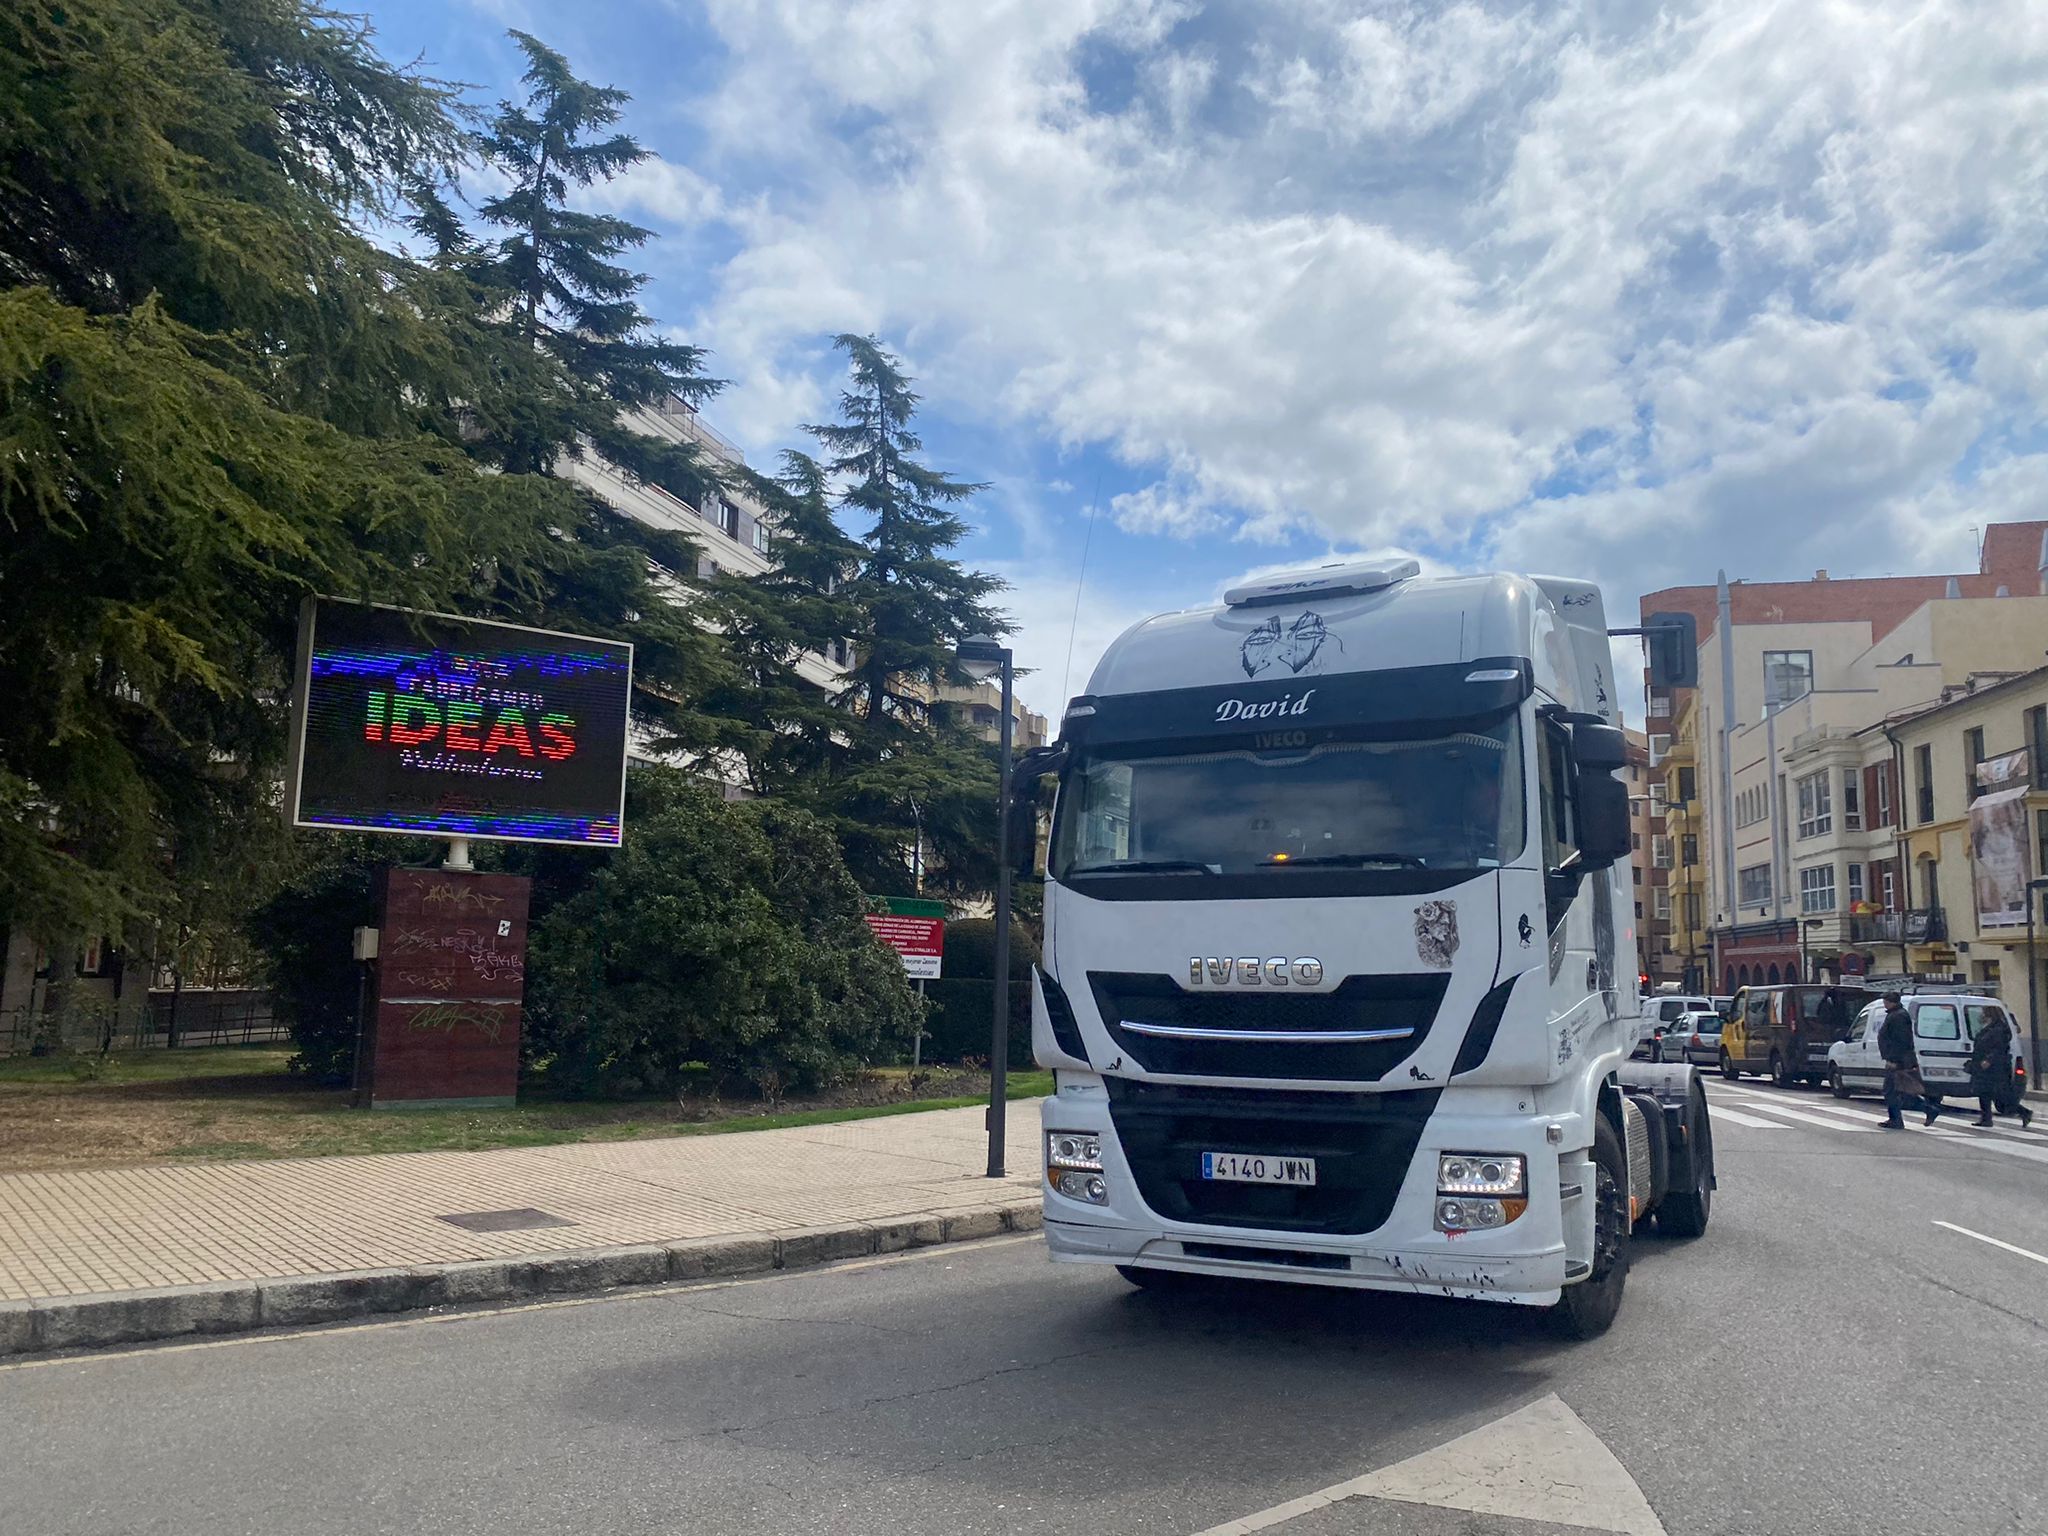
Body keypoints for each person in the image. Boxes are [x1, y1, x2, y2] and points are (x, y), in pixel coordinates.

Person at [1878, 992, 1941, 1129]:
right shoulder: (1895, 1014)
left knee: (1892, 1091)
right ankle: (1898, 1118)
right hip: (1899, 1059)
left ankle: (1901, 1118)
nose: (1884, 1003)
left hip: (1898, 1061)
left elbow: (1901, 1041)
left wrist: (1894, 1060)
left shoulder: (1898, 1016)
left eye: (1885, 1000)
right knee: (1899, 1091)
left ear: (1891, 1001)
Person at [1967, 1009, 2034, 1128]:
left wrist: (1989, 1060)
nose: (1981, 1015)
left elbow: (1999, 1048)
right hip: (1984, 1067)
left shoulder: (1998, 1029)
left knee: (2000, 1096)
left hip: (1995, 1068)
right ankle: (1986, 1119)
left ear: (1990, 1015)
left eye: (1984, 1013)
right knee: (1984, 1093)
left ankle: (2024, 1112)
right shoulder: (1989, 1028)